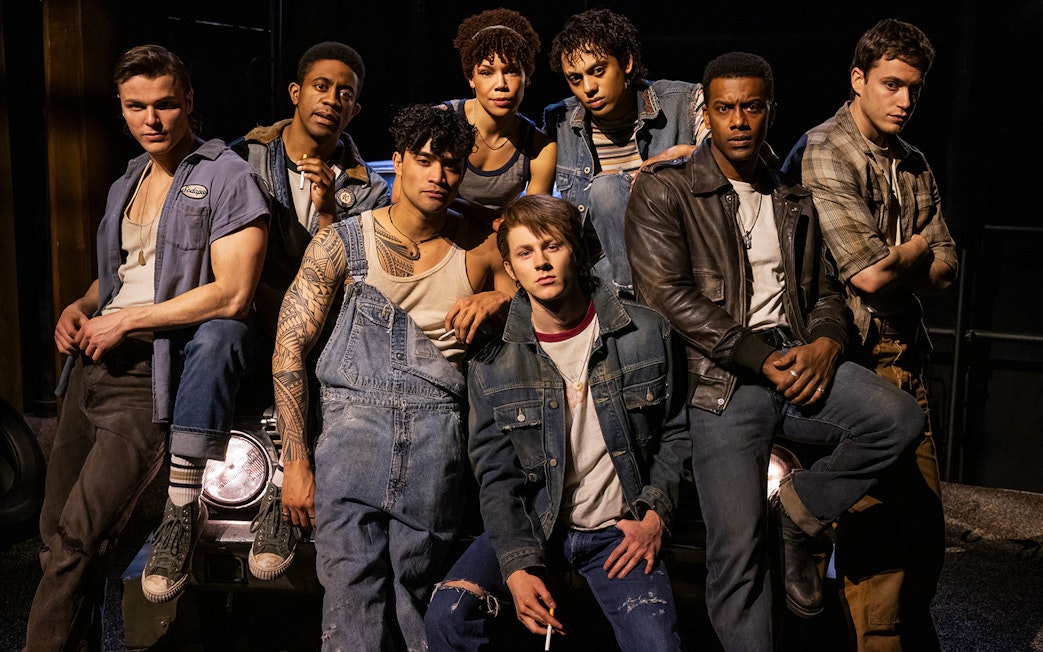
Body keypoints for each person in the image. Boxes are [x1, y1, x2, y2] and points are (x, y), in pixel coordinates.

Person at [624, 51, 925, 651]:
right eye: (725, 108)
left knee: (899, 419)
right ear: (705, 114)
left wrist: (826, 345)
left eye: (752, 107)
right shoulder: (666, 191)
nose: (739, 120)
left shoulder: (792, 196)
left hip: (797, 362)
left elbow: (825, 295)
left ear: (769, 112)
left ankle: (796, 516)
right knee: (736, 556)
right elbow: (669, 297)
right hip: (722, 383)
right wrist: (758, 358)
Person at [25, 44, 269, 648]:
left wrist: (130, 321)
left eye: (165, 105)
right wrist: (81, 308)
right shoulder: (127, 179)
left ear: (189, 102)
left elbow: (233, 294)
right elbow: (119, 275)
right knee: (54, 539)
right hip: (89, 369)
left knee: (81, 540)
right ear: (122, 108)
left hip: (148, 376)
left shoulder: (226, 175)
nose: (152, 120)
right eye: (137, 107)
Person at [272, 104, 515, 650]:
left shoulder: (478, 250)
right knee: (348, 601)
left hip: (438, 442)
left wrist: (500, 298)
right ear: (398, 163)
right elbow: (289, 346)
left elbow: (549, 300)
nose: (438, 176)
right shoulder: (342, 243)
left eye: (451, 165)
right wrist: (295, 461)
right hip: (351, 432)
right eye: (425, 161)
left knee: (417, 600)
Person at [424, 194, 691, 651]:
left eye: (553, 247)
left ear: (577, 252)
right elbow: (496, 476)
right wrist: (515, 565)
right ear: (510, 270)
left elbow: (678, 433)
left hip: (617, 530)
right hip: (536, 526)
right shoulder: (493, 362)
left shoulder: (645, 332)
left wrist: (654, 516)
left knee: (658, 645)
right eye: (526, 253)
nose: (541, 263)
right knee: (447, 618)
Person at [783, 19, 957, 651]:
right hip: (855, 357)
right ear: (858, 80)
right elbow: (870, 275)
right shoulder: (827, 148)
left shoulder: (912, 162)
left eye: (914, 89)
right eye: (890, 85)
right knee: (878, 543)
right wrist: (913, 251)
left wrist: (903, 261)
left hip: (908, 354)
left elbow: (948, 267)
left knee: (926, 537)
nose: (905, 102)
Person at [230, 40, 391, 582]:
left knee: (331, 348)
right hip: (251, 310)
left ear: (355, 110)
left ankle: (283, 492)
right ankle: (181, 503)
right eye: (322, 86)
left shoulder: (368, 190)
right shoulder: (244, 159)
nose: (332, 99)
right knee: (214, 342)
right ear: (297, 93)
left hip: (316, 323)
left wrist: (328, 213)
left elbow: (340, 282)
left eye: (345, 93)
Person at [543, 8, 709, 296]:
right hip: (601, 276)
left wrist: (685, 153)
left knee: (607, 187)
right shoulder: (558, 122)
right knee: (605, 189)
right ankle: (641, 304)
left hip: (680, 260)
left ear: (627, 62)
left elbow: (735, 164)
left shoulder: (683, 101)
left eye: (598, 71)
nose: (588, 88)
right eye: (575, 78)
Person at [438, 8, 556, 227]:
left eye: (511, 71)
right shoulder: (442, 120)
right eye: (486, 72)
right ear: (470, 78)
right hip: (439, 236)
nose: (500, 84)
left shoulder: (539, 147)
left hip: (497, 245)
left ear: (526, 77)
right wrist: (488, 217)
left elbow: (531, 225)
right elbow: (404, 197)